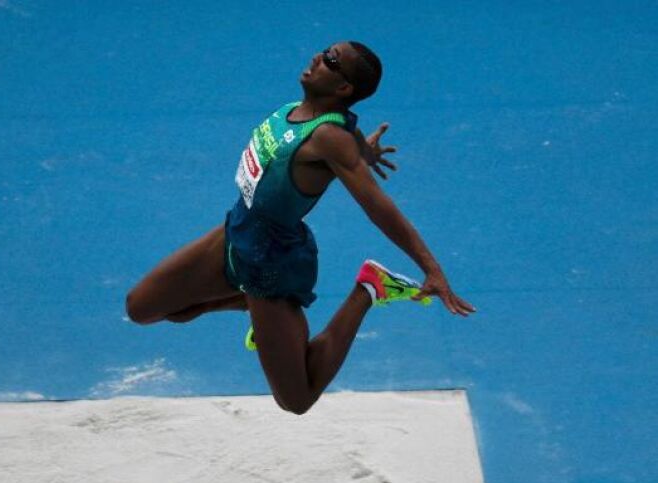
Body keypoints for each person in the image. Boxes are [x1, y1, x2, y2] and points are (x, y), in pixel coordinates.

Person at [126, 41, 476, 415]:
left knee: (296, 398)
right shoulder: (298, 110)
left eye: (330, 60)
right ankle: (251, 306)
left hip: (270, 265)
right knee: (147, 308)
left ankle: (369, 289)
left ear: (343, 88)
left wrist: (431, 268)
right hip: (234, 234)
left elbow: (380, 208)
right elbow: (348, 126)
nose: (317, 58)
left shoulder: (328, 138)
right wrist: (365, 151)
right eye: (325, 51)